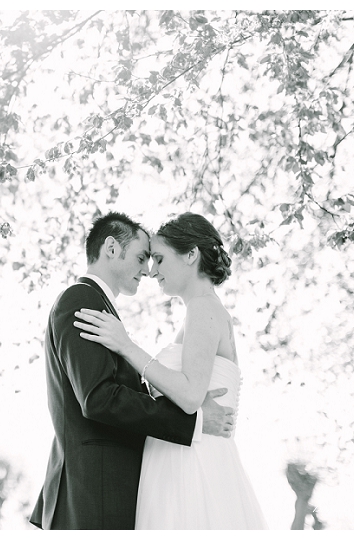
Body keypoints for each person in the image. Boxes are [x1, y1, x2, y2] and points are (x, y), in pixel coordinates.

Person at [29, 212, 236, 530]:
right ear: (111, 248)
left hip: (119, 489)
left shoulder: (105, 310)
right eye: (142, 257)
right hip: (95, 491)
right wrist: (193, 422)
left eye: (154, 259)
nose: (148, 270)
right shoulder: (81, 299)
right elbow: (99, 398)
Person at [73, 212, 268, 529]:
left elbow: (190, 396)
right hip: (179, 456)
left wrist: (126, 345)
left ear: (191, 255)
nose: (151, 271)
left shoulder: (203, 307)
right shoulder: (199, 312)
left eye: (160, 259)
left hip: (190, 466)